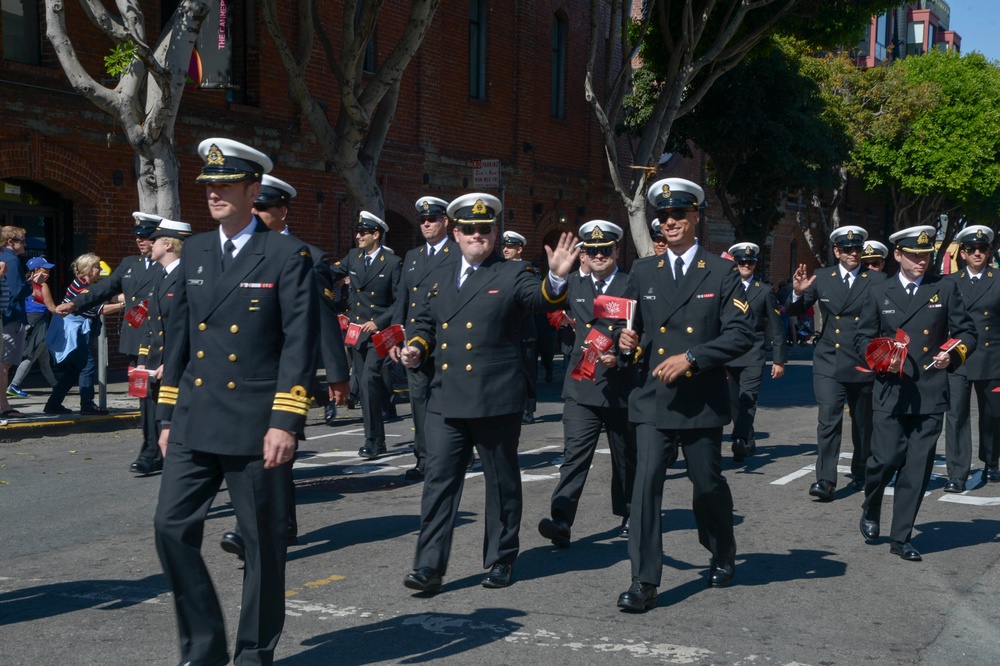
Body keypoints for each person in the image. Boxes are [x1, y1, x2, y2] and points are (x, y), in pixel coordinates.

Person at [153, 137, 318, 666]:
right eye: (209, 185)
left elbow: (298, 341)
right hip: (196, 416)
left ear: (253, 190)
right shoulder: (196, 251)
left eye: (226, 185)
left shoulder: (286, 254)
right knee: (170, 528)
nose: (214, 194)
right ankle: (203, 648)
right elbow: (179, 338)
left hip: (254, 423)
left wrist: (286, 420)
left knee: (262, 543)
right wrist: (166, 415)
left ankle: (253, 652)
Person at [398, 193, 578, 593]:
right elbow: (424, 322)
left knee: (501, 482)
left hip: (494, 397)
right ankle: (429, 566)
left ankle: (501, 558)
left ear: (494, 234)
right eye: (469, 229)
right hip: (446, 397)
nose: (477, 235)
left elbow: (539, 298)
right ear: (456, 233)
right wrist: (416, 348)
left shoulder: (511, 272)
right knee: (438, 482)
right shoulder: (439, 274)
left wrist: (556, 279)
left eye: (484, 229)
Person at [615, 178, 754, 612]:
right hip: (653, 397)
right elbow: (629, 330)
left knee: (706, 484)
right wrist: (624, 343)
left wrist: (693, 357)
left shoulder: (721, 271)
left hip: (700, 398)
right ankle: (643, 581)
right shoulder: (643, 271)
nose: (670, 222)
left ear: (696, 217)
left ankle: (721, 547)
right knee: (645, 486)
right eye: (663, 216)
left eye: (679, 214)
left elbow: (741, 334)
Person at [855, 225, 976, 561]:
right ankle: (872, 503)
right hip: (891, 388)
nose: (921, 261)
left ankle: (901, 536)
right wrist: (881, 358)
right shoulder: (879, 291)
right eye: (913, 255)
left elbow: (967, 332)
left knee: (918, 467)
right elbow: (862, 338)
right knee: (884, 459)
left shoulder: (944, 287)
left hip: (929, 389)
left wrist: (952, 354)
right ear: (898, 255)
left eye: (925, 255)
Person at [537, 220, 637, 547]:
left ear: (616, 251)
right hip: (582, 382)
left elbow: (645, 330)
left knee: (625, 457)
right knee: (574, 456)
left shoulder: (631, 284)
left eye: (604, 249)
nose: (598, 255)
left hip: (621, 386)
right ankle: (561, 520)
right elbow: (548, 304)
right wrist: (555, 277)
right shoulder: (574, 284)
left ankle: (630, 513)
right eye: (592, 250)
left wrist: (622, 356)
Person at [57, 212, 163, 471]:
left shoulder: (169, 265)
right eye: (137, 236)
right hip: (136, 343)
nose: (140, 240)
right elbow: (102, 289)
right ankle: (150, 450)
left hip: (162, 341)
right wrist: (74, 304)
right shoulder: (129, 264)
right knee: (143, 395)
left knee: (163, 397)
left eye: (146, 236)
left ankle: (167, 447)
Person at [787, 226, 887, 500]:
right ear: (836, 251)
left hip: (862, 361)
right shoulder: (822, 277)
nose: (853, 253)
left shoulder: (876, 280)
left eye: (857, 249)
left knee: (863, 423)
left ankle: (861, 469)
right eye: (847, 249)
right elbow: (794, 309)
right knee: (828, 420)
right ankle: (825, 480)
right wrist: (797, 293)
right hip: (829, 359)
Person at [389, 196, 459, 481]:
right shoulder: (413, 256)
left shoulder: (458, 253)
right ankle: (424, 459)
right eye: (422, 220)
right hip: (415, 342)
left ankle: (456, 454)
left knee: (449, 399)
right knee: (419, 400)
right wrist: (395, 338)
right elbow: (402, 301)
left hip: (447, 340)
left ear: (445, 221)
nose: (426, 224)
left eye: (432, 219)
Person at [329, 211, 402, 459]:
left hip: (381, 333)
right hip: (357, 332)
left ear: (376, 234)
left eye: (363, 232)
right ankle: (375, 439)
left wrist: (378, 321)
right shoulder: (353, 257)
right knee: (364, 382)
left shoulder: (392, 263)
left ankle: (374, 440)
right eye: (357, 232)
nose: (358, 236)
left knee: (370, 378)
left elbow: (399, 301)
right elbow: (330, 273)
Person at [133, 219, 191, 477]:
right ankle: (157, 456)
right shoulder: (161, 275)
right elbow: (151, 323)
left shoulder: (185, 277)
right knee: (154, 412)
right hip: (155, 363)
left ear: (168, 245)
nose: (149, 243)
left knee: (175, 419)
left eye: (154, 239)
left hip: (176, 363)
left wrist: (173, 361)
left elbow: (188, 326)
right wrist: (143, 360)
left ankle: (183, 469)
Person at [943, 225, 1000, 492]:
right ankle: (957, 473)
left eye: (982, 248)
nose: (977, 253)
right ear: (963, 253)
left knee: (993, 415)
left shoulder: (998, 279)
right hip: (959, 357)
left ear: (989, 252)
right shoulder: (950, 282)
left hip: (993, 358)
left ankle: (991, 460)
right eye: (971, 249)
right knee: (956, 416)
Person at [725, 243, 787, 463]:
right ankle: (749, 438)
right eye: (741, 262)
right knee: (734, 401)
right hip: (728, 354)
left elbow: (777, 327)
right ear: (735, 263)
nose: (746, 265)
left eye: (750, 262)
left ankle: (740, 439)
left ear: (755, 265)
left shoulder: (764, 290)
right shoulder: (725, 287)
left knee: (748, 398)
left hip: (753, 352)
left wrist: (779, 360)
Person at [44, 254, 125, 415]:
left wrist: (131, 296)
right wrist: (124, 305)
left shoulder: (88, 285)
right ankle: (87, 405)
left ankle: (53, 404)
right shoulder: (80, 287)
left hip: (75, 330)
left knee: (74, 369)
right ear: (88, 269)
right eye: (97, 267)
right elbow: (100, 309)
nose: (100, 269)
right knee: (87, 366)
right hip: (71, 333)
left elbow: (108, 295)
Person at [501, 231, 541, 424]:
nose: (506, 250)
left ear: (520, 249)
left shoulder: (528, 270)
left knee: (527, 371)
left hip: (524, 330)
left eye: (510, 247)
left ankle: (528, 408)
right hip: (505, 330)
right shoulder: (498, 269)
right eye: (504, 246)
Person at [7, 257, 59, 397]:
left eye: (48, 271)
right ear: (35, 270)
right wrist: (70, 312)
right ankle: (14, 385)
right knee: (31, 355)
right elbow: (51, 308)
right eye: (45, 270)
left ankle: (56, 385)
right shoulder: (42, 286)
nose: (47, 274)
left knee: (43, 358)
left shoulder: (24, 284)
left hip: (28, 322)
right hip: (39, 324)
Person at [0, 225, 31, 420]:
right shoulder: (11, 260)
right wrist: (30, 285)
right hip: (10, 317)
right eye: (22, 241)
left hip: (6, 316)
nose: (25, 245)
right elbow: (17, 291)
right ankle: (3, 406)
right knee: (5, 364)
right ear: (10, 242)